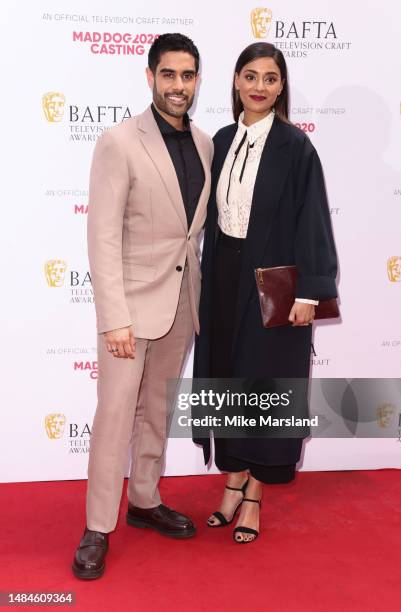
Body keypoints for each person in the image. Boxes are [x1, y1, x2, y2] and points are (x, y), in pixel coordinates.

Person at [72, 33, 213, 579]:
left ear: (197, 81)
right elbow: (102, 236)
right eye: (169, 74)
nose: (179, 86)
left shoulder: (204, 143)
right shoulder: (119, 141)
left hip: (182, 302)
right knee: (114, 417)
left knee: (158, 411)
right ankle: (96, 525)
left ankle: (145, 500)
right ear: (150, 75)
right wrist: (115, 317)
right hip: (130, 307)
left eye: (188, 75)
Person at [193, 42, 338, 544]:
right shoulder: (222, 138)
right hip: (223, 277)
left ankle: (253, 492)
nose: (259, 86)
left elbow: (313, 223)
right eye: (250, 76)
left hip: (273, 285)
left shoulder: (295, 147)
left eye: (270, 78)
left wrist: (309, 294)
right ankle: (233, 479)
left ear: (281, 87)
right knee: (229, 377)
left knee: (264, 386)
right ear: (235, 81)